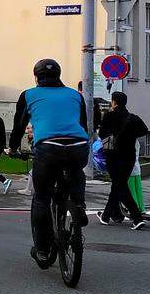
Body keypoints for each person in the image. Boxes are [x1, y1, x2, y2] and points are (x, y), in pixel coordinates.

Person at [8, 58, 90, 267]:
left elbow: (19, 125)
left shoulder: (29, 95)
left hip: (48, 148)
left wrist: (14, 148)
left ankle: (43, 250)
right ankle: (79, 206)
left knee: (42, 197)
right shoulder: (75, 95)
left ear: (36, 77)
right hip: (78, 145)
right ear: (59, 75)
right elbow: (83, 124)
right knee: (75, 170)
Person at [97, 91, 149, 229]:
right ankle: (106, 216)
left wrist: (111, 140)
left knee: (119, 186)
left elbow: (102, 134)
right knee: (118, 185)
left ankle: (136, 218)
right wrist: (130, 136)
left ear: (114, 102)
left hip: (113, 156)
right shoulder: (133, 118)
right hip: (129, 157)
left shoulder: (109, 116)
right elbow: (144, 130)